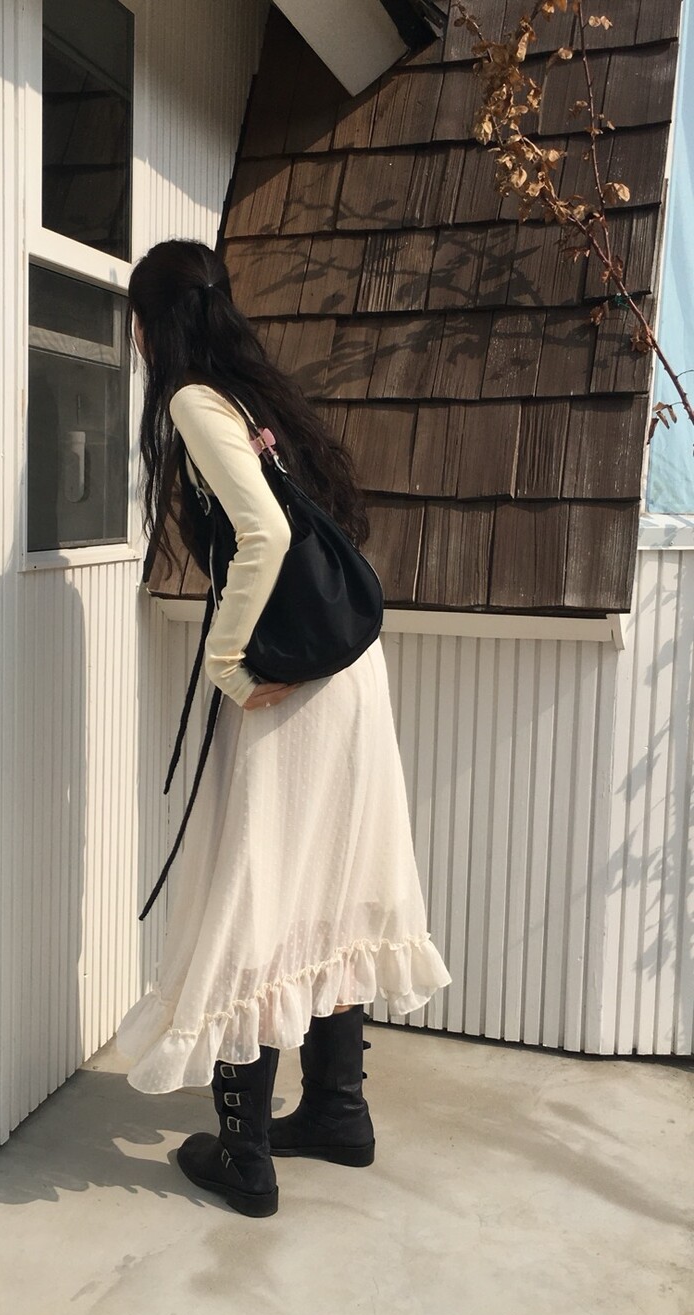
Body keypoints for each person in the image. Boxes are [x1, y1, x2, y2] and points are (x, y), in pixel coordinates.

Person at [115, 239, 452, 1218]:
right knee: (331, 889)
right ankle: (338, 1113)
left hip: (288, 692)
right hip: (345, 677)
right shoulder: (254, 396)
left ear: (152, 324)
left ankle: (246, 1154)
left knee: (256, 892)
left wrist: (226, 663)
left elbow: (262, 532)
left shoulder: (193, 401)